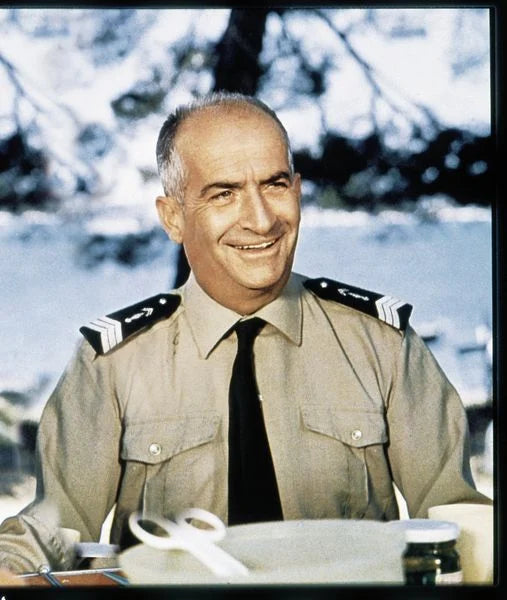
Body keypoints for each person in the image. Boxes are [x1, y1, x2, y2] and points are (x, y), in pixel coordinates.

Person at [0, 92, 490, 575]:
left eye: (275, 185)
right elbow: (55, 525)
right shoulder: (114, 361)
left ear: (298, 192)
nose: (261, 219)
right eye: (224, 193)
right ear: (173, 217)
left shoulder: (382, 345)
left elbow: (457, 517)